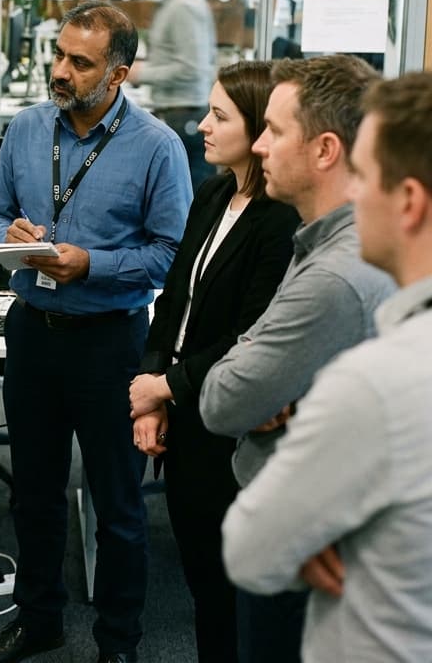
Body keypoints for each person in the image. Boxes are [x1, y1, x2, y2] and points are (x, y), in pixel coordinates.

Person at [0, 2, 192, 663]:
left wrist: (91, 264)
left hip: (110, 343)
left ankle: (118, 641)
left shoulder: (156, 146)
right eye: (59, 55)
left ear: (119, 73)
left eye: (81, 62)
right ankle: (39, 619)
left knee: (118, 505)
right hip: (32, 335)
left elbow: (171, 256)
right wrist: (9, 236)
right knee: (33, 494)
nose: (61, 71)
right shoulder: (26, 128)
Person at [222, 71, 432, 663]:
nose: (350, 193)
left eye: (362, 174)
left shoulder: (375, 382)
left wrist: (305, 532)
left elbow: (250, 551)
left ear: (408, 202)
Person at [129, 60, 300, 663]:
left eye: (219, 116)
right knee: (203, 581)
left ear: (258, 129)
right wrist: (152, 387)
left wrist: (164, 387)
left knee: (231, 595)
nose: (202, 125)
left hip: (225, 422)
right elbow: (173, 300)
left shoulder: (281, 221)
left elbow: (248, 335)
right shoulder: (213, 193)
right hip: (180, 411)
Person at [127, 0, 216, 191]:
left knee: (190, 203)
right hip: (176, 115)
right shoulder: (173, 1)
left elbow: (193, 68)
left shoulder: (184, 5)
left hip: (185, 118)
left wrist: (141, 73)